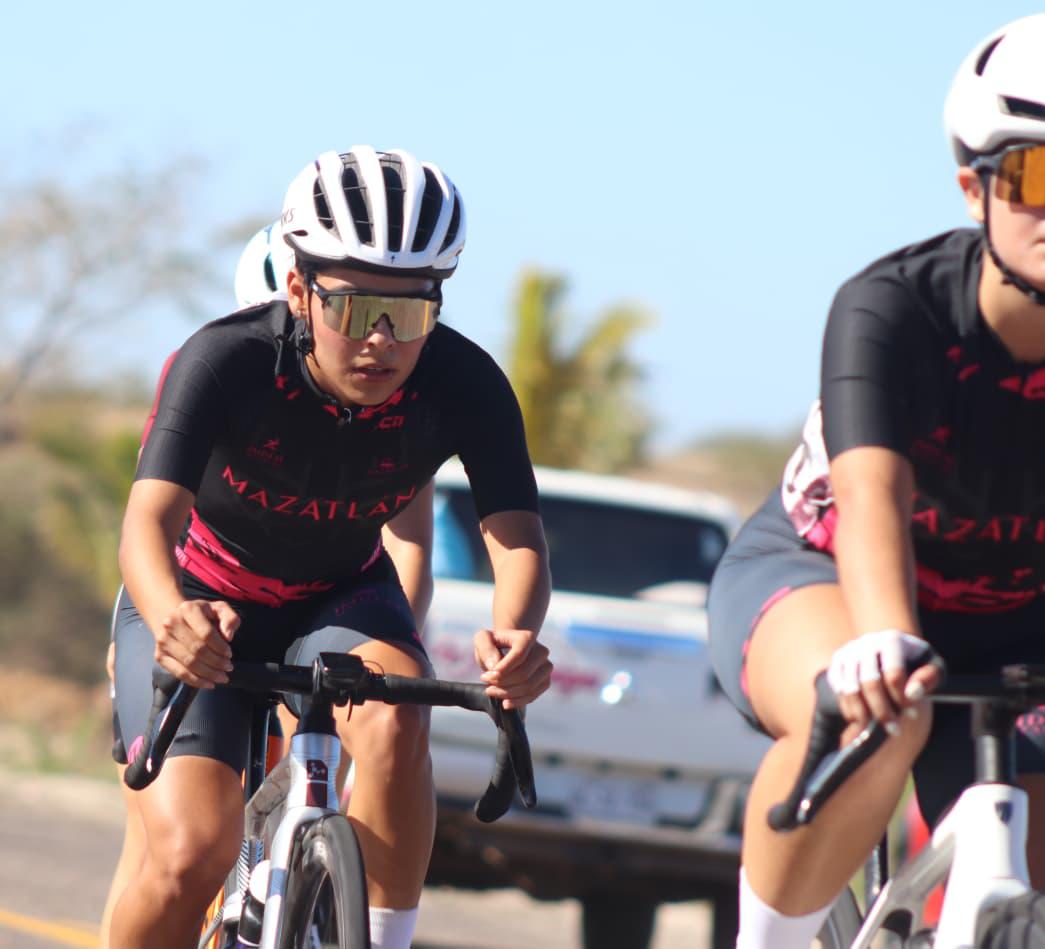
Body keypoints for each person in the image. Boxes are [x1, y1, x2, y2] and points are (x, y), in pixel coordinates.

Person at [108, 146, 546, 949]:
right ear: (299, 291)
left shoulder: (465, 381)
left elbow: (516, 541)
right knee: (188, 856)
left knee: (395, 715)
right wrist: (171, 615)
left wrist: (515, 632)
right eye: (353, 309)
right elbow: (146, 523)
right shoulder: (224, 359)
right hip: (204, 597)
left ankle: (380, 937)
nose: (380, 341)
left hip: (338, 593)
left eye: (409, 314)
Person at [707, 16, 1045, 948]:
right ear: (973, 187)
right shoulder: (889, 309)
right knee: (874, 725)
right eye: (1038, 176)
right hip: (829, 579)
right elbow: (868, 500)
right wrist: (886, 637)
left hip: (1016, 617)